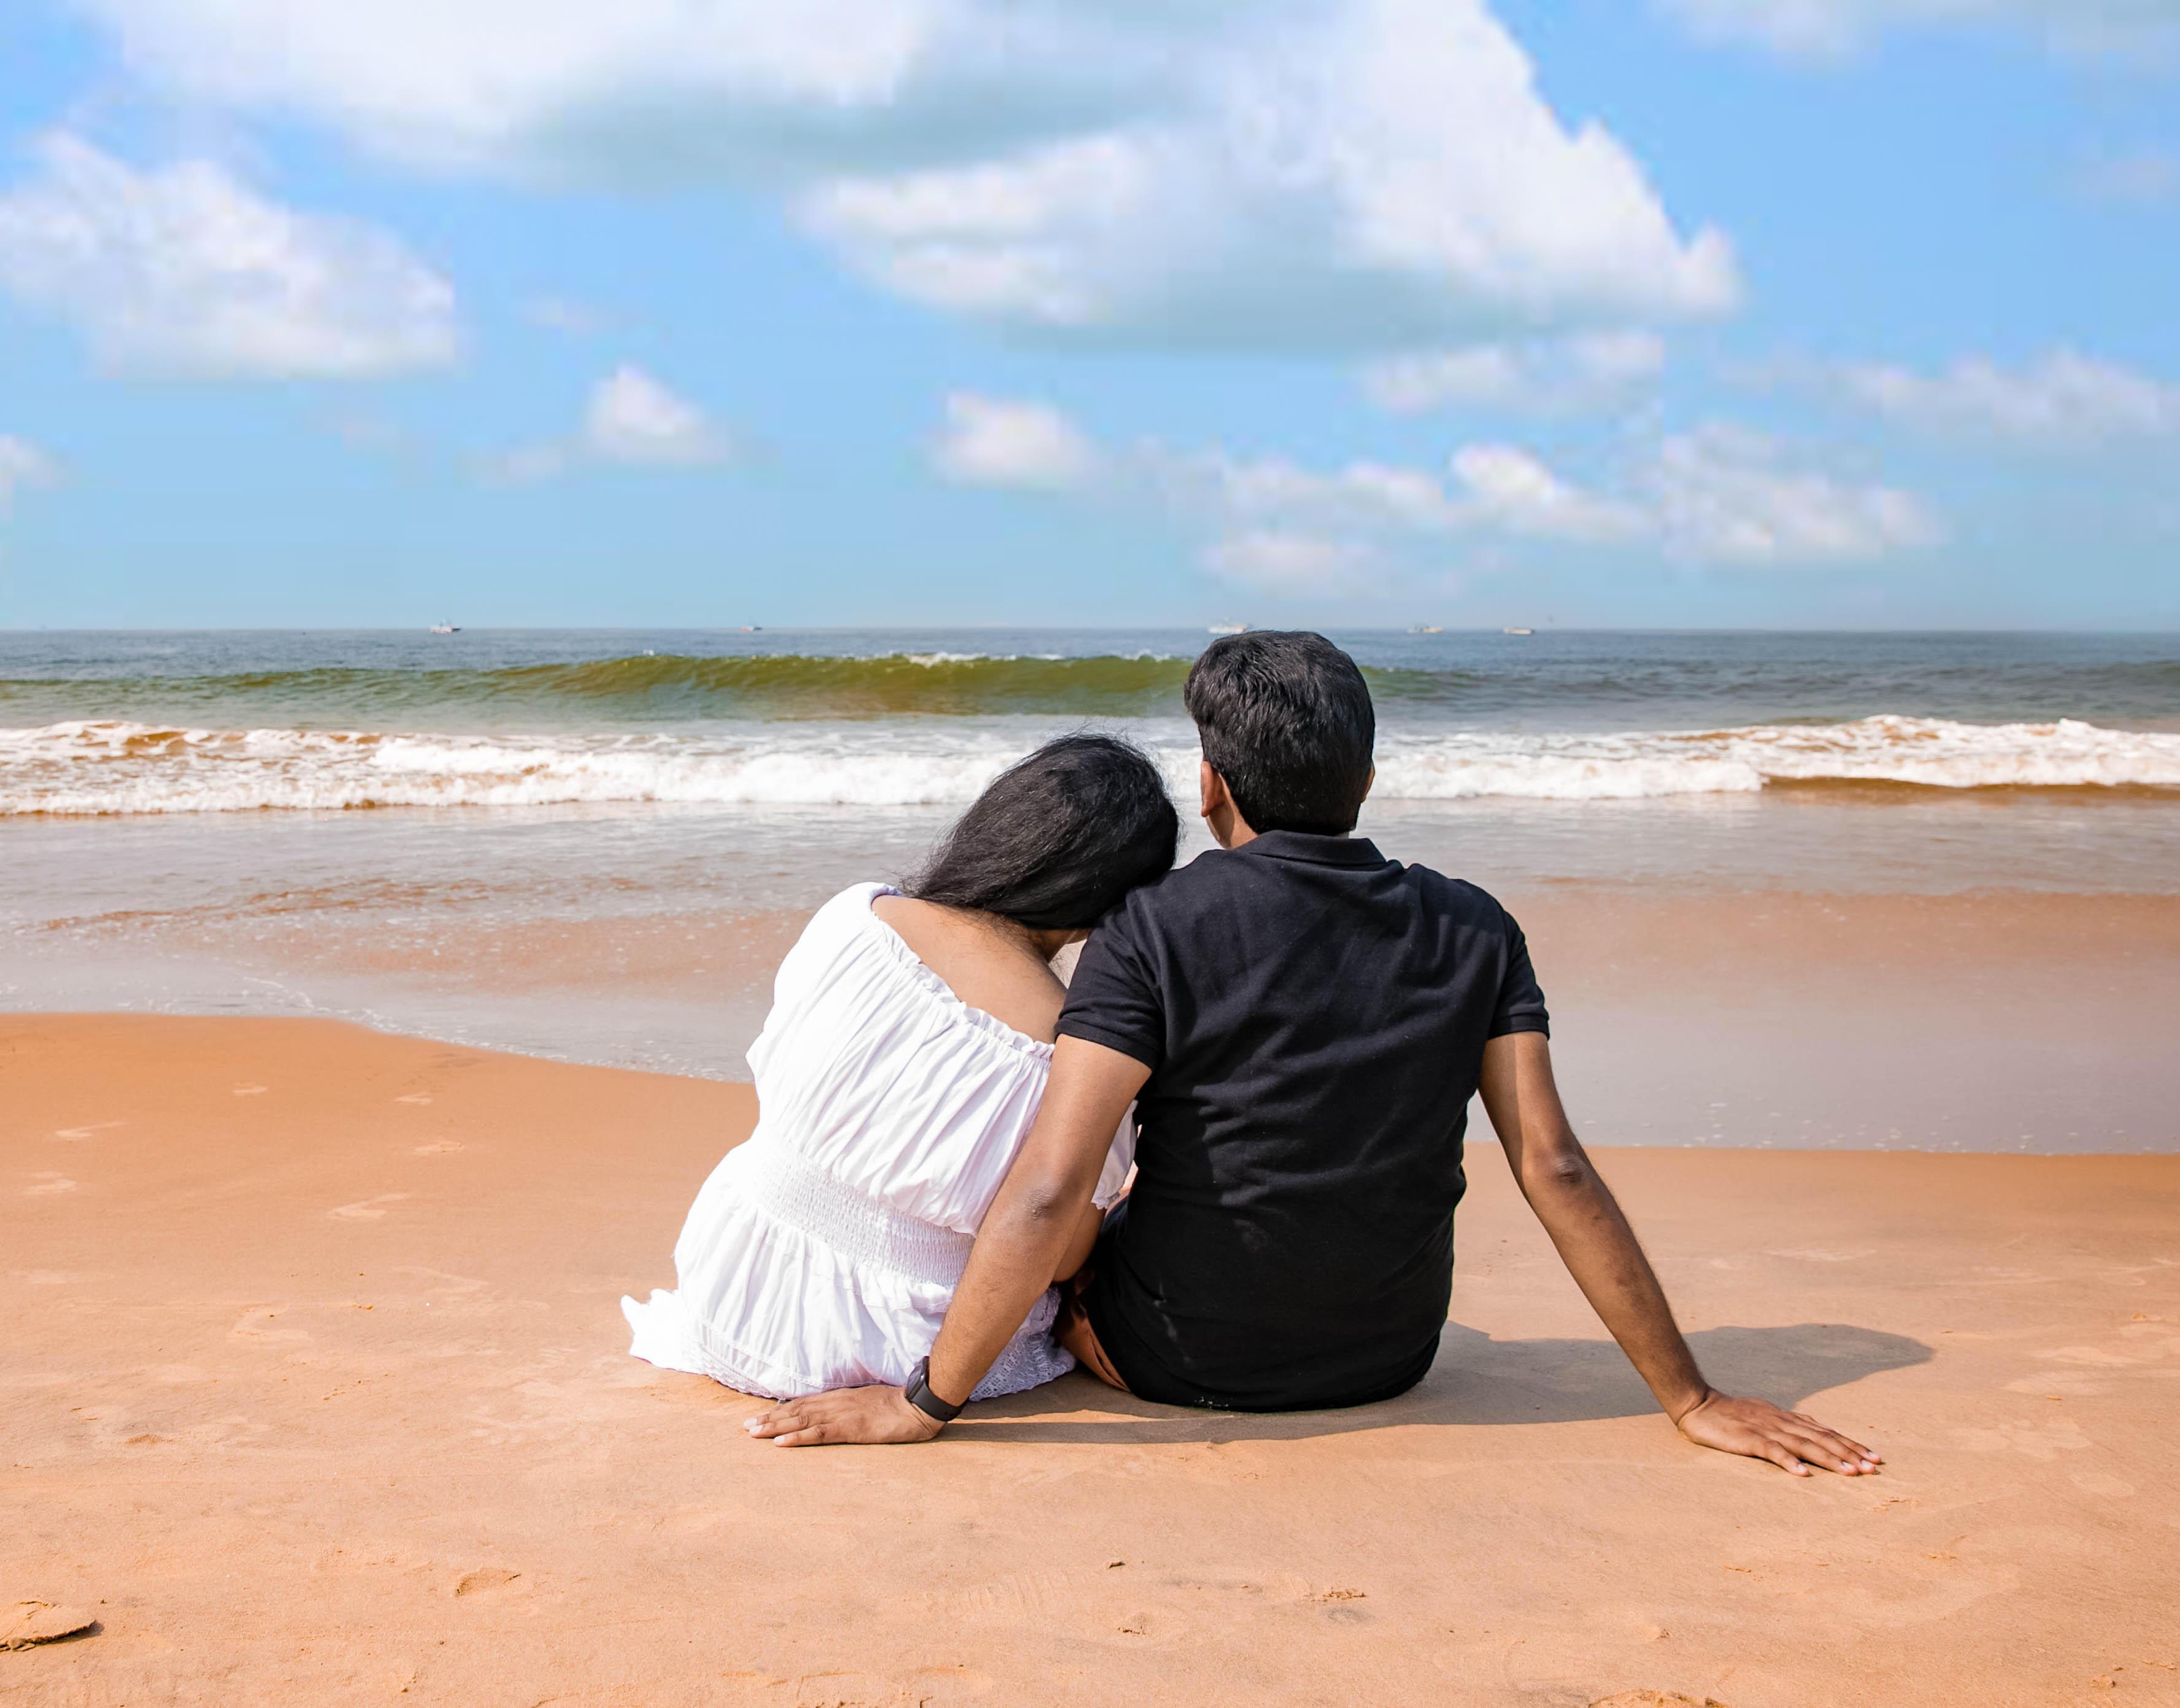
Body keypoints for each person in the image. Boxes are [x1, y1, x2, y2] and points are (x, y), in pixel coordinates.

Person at [745, 631, 1883, 1478]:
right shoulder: (1476, 924)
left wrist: (924, 1405)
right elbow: (1555, 1169)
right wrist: (1687, 1397)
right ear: (1367, 782)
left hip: (1175, 1362)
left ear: (1211, 786)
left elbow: (1047, 1188)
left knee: (1098, 1202)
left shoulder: (1151, 930)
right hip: (1391, 1355)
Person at [624, 733, 1178, 1402]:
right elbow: (1057, 1256)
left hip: (733, 1282)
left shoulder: (856, 918)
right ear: (1115, 901)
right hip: (906, 1343)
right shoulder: (1069, 1052)